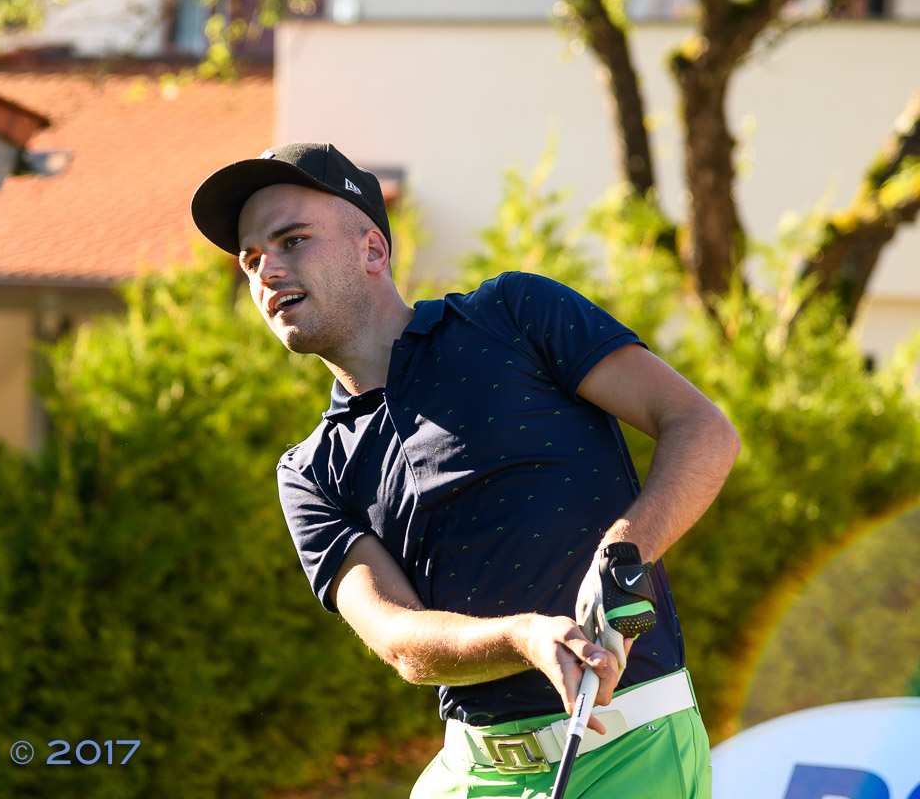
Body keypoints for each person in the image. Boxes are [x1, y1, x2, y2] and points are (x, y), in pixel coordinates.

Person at [190, 142, 739, 798]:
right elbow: (397, 638)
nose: (268, 272)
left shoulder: (515, 314)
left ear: (373, 250)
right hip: (469, 772)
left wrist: (624, 552)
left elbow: (701, 429)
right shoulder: (308, 472)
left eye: (292, 241)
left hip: (629, 750)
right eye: (251, 259)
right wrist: (524, 637)